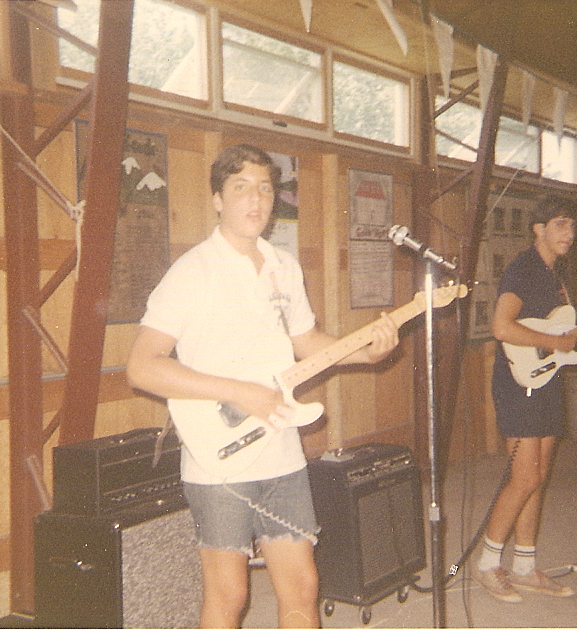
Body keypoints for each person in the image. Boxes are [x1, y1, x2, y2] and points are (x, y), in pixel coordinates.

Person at [126, 143, 399, 628]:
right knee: (229, 595)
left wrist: (368, 350)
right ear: (217, 200)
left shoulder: (283, 266)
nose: (255, 200)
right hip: (218, 460)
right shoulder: (192, 272)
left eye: (265, 190)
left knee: (302, 587)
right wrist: (237, 390)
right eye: (240, 188)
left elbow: (307, 341)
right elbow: (142, 367)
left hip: (282, 451)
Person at [473, 194, 577, 602]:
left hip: (547, 377)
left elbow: (566, 337)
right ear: (539, 229)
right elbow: (502, 327)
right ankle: (487, 564)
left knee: (540, 476)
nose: (570, 234)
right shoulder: (523, 269)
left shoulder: (558, 274)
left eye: (572, 226)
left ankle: (525, 567)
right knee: (525, 477)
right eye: (561, 225)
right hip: (519, 384)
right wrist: (554, 340)